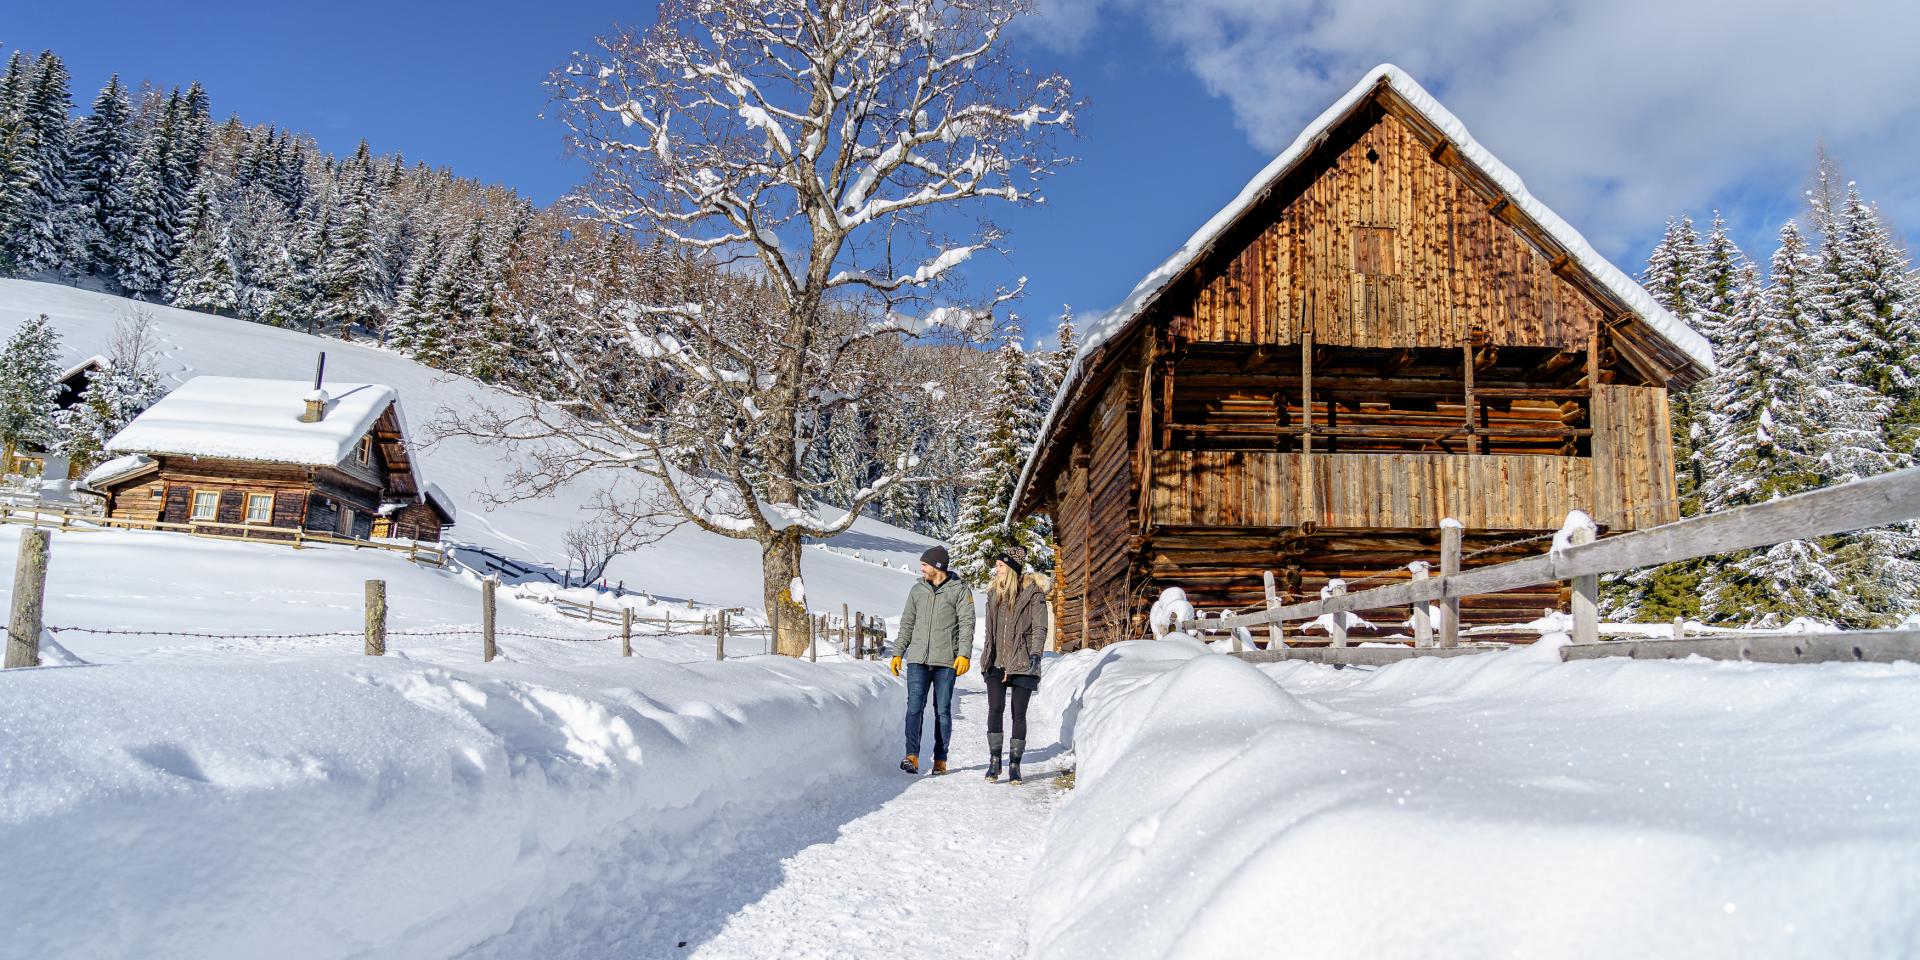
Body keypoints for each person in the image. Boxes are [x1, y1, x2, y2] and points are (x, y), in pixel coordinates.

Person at [891, 544, 973, 775]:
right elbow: (907, 623)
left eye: (925, 565)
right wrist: (898, 652)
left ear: (938, 566)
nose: (922, 569)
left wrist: (964, 654)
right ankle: (912, 756)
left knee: (943, 710)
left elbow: (967, 624)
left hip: (946, 661)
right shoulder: (917, 590)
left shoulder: (959, 590)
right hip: (918, 659)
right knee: (914, 708)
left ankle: (940, 759)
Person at [980, 546, 1046, 783]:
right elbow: (990, 630)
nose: (996, 570)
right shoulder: (993, 594)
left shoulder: (1033, 594)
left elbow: (1040, 627)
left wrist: (1036, 653)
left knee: (1019, 714)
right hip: (997, 660)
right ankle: (995, 761)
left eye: (999, 566)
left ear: (1011, 568)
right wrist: (987, 655)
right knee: (995, 708)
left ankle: (1015, 764)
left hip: (1024, 659)